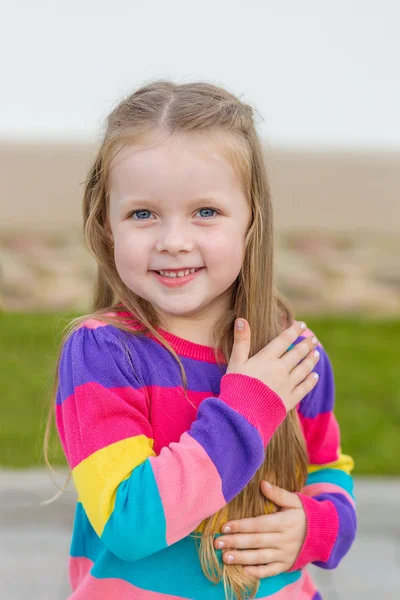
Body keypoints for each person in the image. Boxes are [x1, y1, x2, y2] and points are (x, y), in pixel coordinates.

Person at [45, 80, 357, 600]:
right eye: (142, 213)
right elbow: (131, 523)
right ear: (106, 226)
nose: (173, 240)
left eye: (205, 212)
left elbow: (328, 470)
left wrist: (314, 529)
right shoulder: (104, 353)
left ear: (251, 219)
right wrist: (247, 409)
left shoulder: (293, 356)